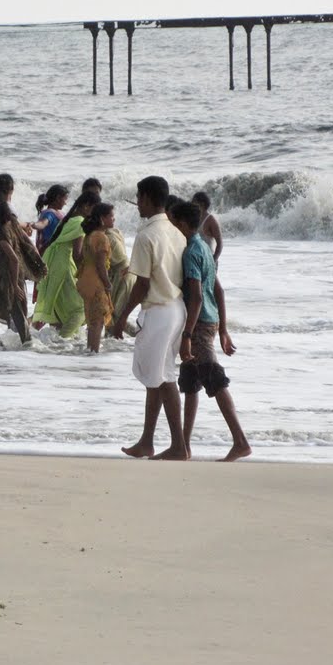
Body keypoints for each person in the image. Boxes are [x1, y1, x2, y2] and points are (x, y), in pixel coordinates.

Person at [111, 176, 188, 460]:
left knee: (163, 377)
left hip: (157, 310)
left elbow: (142, 284)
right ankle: (147, 440)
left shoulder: (146, 236)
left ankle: (179, 445)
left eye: (139, 197)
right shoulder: (177, 232)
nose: (137, 202)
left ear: (146, 198)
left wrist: (122, 317)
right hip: (177, 309)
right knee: (157, 376)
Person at [169, 201, 251, 462]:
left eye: (172, 221)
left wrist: (187, 335)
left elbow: (196, 298)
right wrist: (223, 329)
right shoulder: (204, 246)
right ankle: (183, 445)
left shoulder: (191, 252)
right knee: (190, 383)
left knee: (214, 379)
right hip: (209, 321)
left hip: (199, 323)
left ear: (181, 223)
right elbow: (219, 290)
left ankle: (240, 441)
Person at [0, 196, 46, 347]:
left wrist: (14, 285)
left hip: (6, 276)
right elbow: (28, 243)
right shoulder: (12, 224)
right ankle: (27, 344)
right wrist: (39, 263)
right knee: (17, 311)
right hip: (15, 273)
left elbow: (13, 259)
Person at [32, 190, 100, 338]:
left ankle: (59, 344)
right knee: (81, 307)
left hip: (54, 263)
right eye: (94, 209)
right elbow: (77, 255)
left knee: (61, 306)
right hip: (63, 264)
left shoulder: (69, 218)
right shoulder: (80, 223)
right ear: (87, 206)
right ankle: (63, 340)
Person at [76, 203, 115, 353]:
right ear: (102, 218)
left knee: (92, 321)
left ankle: (90, 350)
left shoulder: (89, 236)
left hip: (85, 280)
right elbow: (101, 265)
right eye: (111, 216)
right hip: (96, 283)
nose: (114, 219)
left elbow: (80, 257)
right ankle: (94, 352)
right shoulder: (101, 238)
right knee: (98, 321)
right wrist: (108, 284)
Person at [32, 184, 69, 255]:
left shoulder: (57, 213)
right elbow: (42, 224)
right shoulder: (50, 213)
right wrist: (33, 224)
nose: (65, 203)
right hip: (50, 253)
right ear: (58, 198)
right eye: (65, 199)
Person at [191, 191, 223, 263]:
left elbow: (220, 243)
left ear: (202, 204)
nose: (192, 205)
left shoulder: (211, 220)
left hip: (208, 259)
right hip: (195, 259)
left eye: (194, 202)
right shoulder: (194, 218)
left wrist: (214, 259)